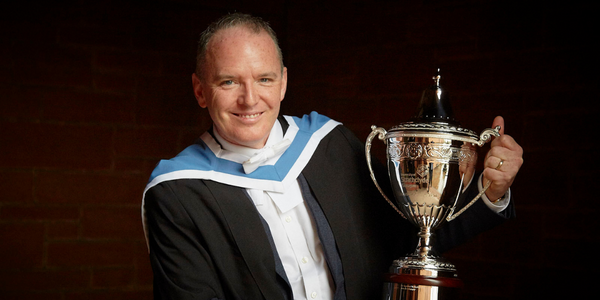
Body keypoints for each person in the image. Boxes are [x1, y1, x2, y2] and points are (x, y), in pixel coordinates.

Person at [141, 13, 523, 300]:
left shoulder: (329, 144)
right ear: (200, 91)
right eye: (229, 81)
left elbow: (412, 235)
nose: (250, 99)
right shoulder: (177, 193)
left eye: (264, 79)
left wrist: (491, 190)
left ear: (284, 81)